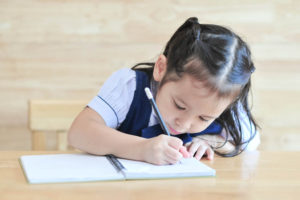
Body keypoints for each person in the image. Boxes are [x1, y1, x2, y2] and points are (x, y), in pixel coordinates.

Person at [68, 17, 260, 165]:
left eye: (204, 118)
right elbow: (79, 133)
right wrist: (142, 149)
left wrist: (211, 141)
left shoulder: (223, 102)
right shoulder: (130, 87)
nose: (184, 123)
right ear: (161, 68)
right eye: (179, 105)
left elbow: (249, 143)